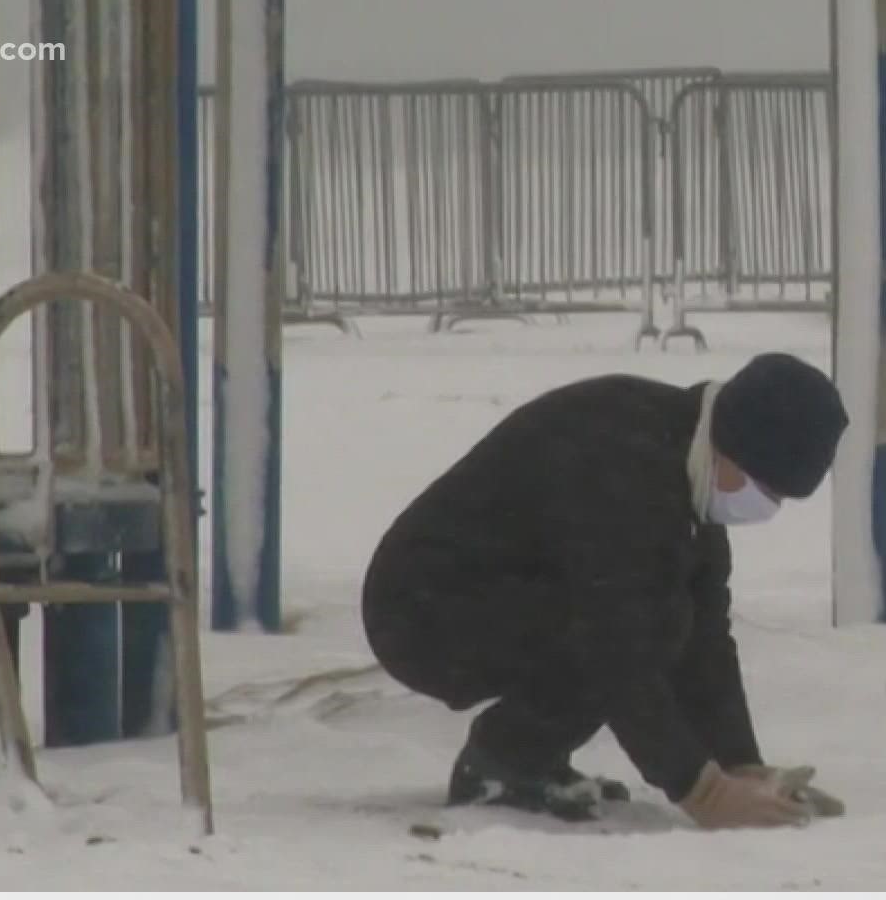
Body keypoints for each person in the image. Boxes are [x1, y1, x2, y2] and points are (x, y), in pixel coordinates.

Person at [361, 352, 852, 830]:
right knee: (640, 623)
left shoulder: (688, 463)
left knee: (666, 615)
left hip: (498, 593)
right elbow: (616, 646)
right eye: (766, 489)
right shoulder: (625, 461)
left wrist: (740, 764)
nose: (766, 507)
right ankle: (503, 762)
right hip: (422, 610)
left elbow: (706, 634)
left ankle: (528, 758)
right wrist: (703, 792)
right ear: (735, 445)